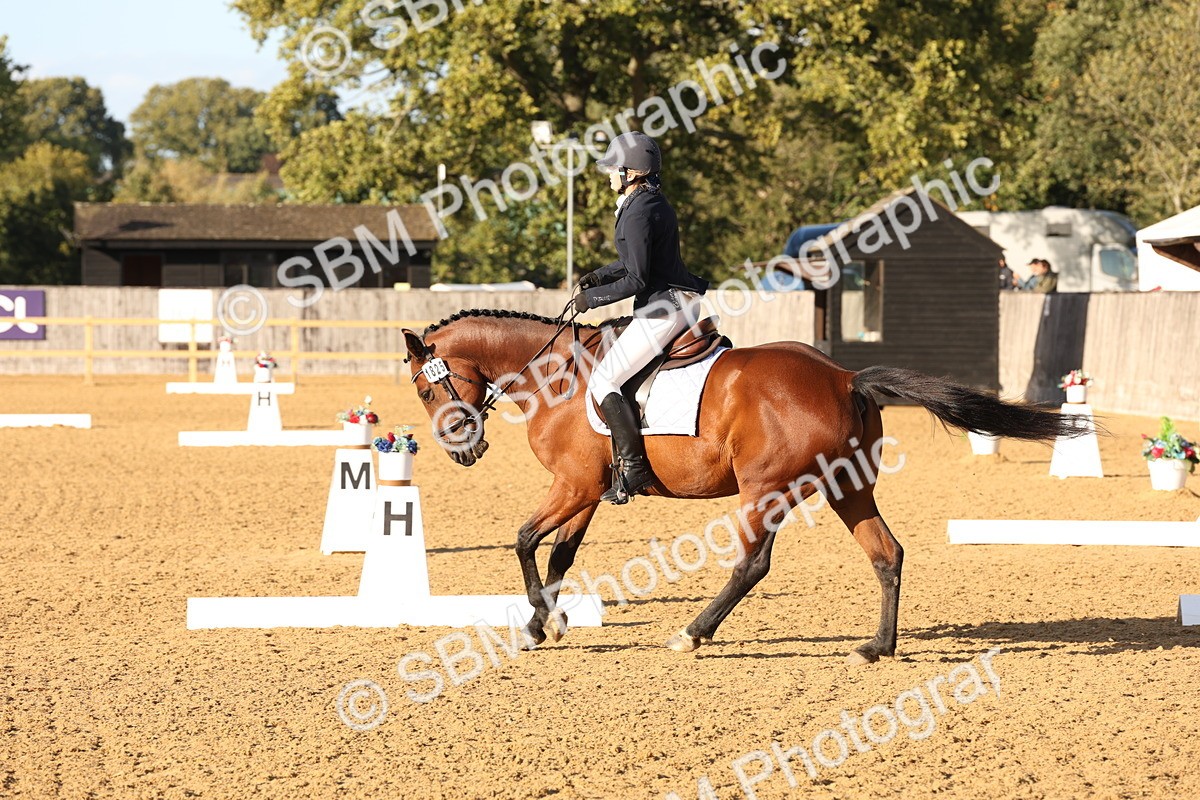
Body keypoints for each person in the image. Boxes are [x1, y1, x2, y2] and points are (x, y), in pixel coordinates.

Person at [573, 131, 709, 505]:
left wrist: (593, 299)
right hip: (679, 300)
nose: (608, 176)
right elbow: (634, 261)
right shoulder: (650, 203)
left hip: (663, 309)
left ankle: (633, 468)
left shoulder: (638, 210)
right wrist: (601, 274)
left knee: (603, 379)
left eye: (612, 169)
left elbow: (637, 278)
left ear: (632, 171)